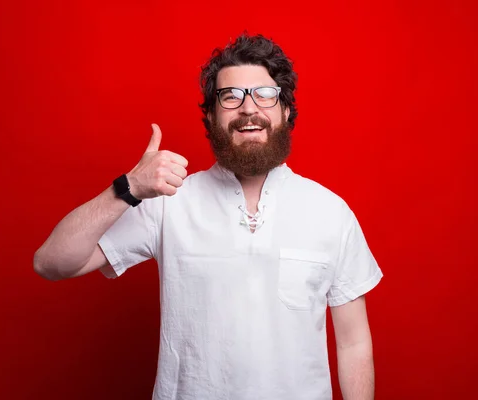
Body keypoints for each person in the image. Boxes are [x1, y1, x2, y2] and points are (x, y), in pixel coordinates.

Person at [34, 33, 383, 400]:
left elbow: (353, 343)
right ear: (212, 116)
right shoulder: (168, 201)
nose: (249, 109)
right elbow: (52, 263)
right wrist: (129, 188)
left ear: (285, 111)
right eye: (230, 97)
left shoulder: (330, 212)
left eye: (265, 95)